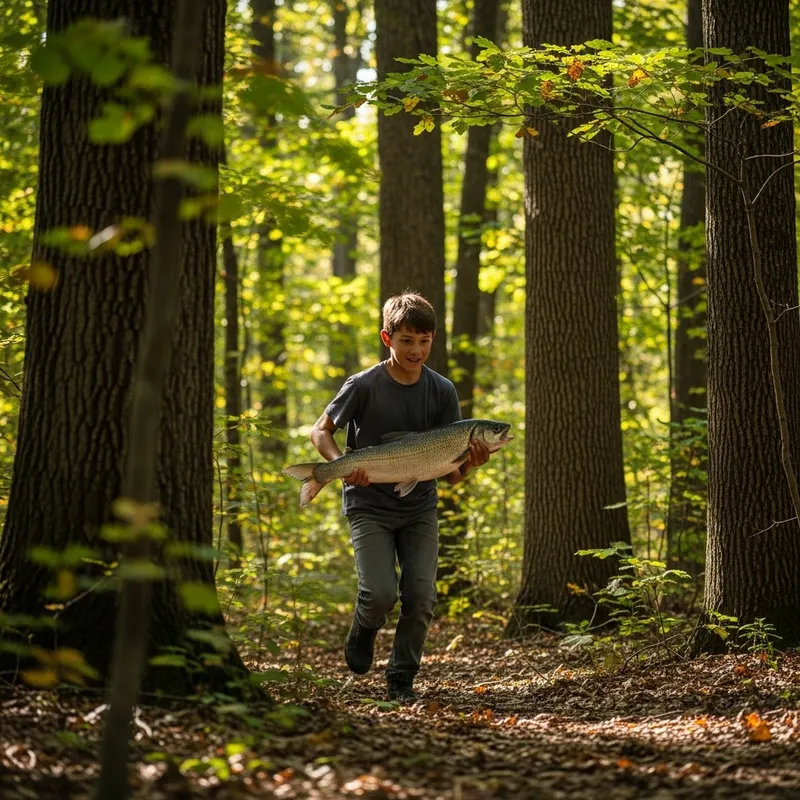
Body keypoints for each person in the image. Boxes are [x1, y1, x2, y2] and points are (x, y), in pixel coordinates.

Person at [309, 291, 492, 703]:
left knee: (421, 596)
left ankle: (401, 680)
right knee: (379, 593)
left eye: (424, 340)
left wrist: (472, 465)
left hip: (419, 506)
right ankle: (363, 627)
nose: (416, 350)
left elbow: (454, 475)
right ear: (387, 339)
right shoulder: (363, 385)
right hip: (368, 504)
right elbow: (320, 431)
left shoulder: (442, 391)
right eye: (407, 340)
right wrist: (340, 466)